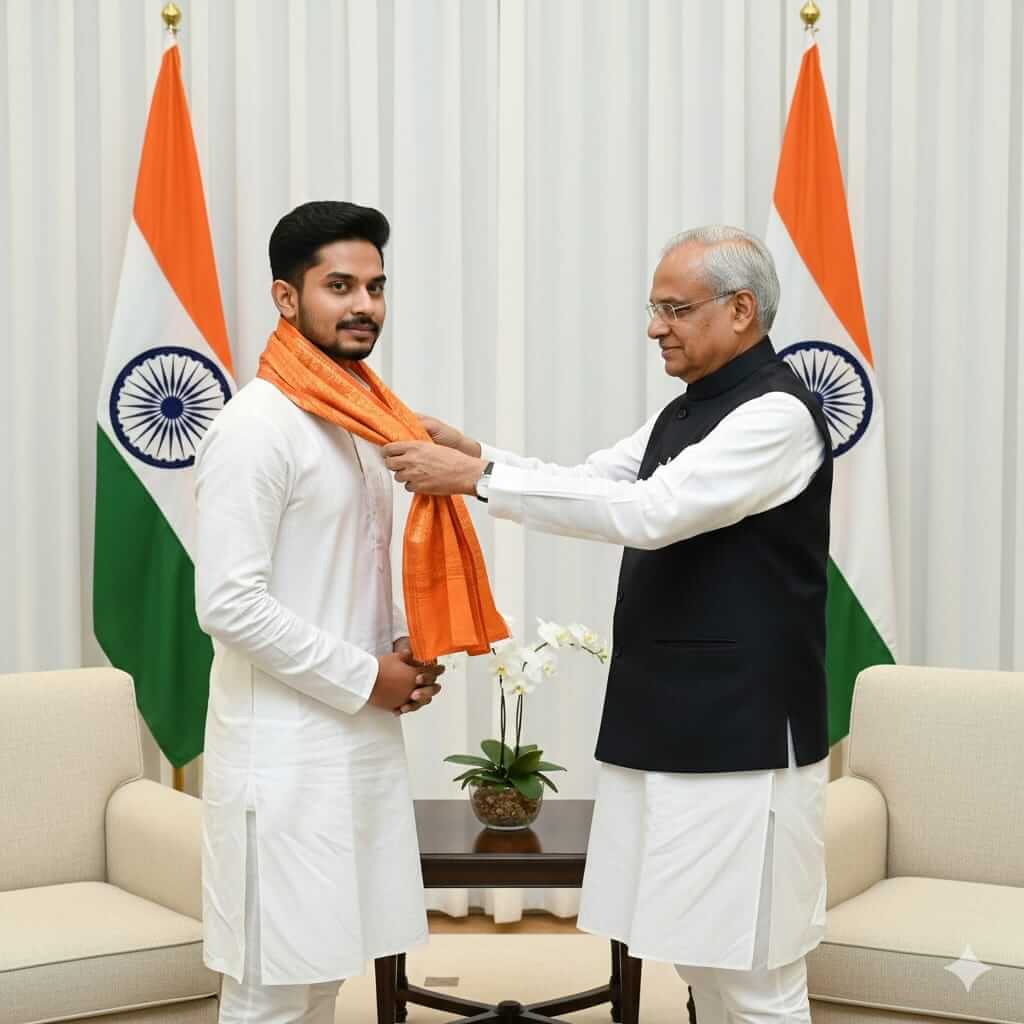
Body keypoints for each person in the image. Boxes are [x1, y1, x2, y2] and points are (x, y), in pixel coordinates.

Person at [382, 225, 833, 1023]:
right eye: (653, 308)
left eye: (674, 308)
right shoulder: (690, 409)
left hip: (745, 734)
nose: (655, 326)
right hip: (670, 718)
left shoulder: (778, 416)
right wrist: (478, 453)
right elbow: (590, 481)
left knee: (756, 970)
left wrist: (477, 479)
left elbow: (651, 512)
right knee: (699, 956)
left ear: (740, 310)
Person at [194, 201, 445, 1023]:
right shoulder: (256, 427)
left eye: (375, 286)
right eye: (339, 285)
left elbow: (346, 574)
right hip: (284, 757)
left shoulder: (360, 421)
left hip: (358, 749)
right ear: (285, 297)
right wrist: (368, 674)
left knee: (326, 974)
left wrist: (405, 647)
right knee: (271, 989)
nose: (364, 304)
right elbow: (229, 603)